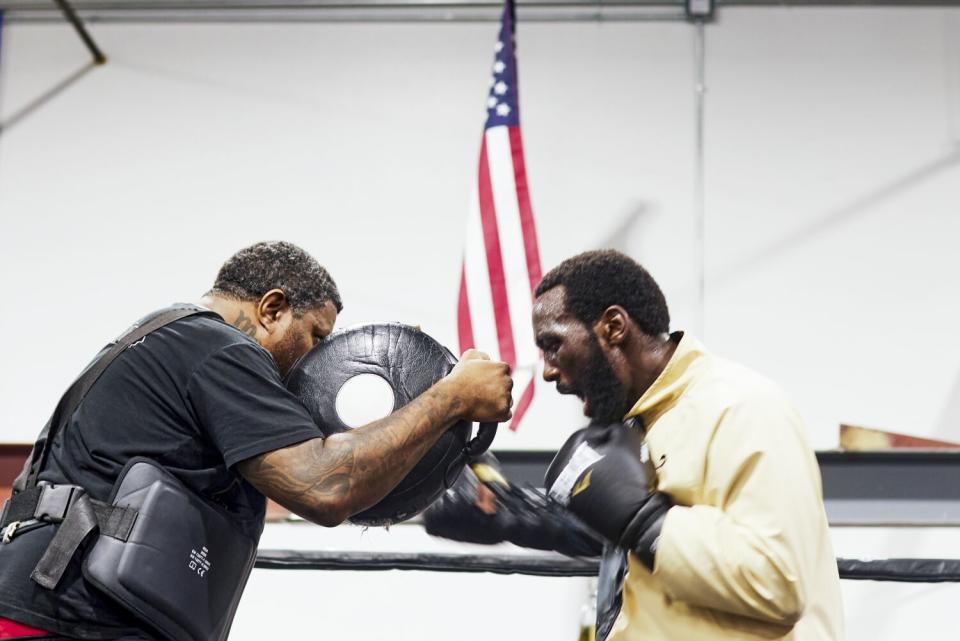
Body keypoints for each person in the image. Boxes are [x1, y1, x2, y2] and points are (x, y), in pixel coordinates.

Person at [0, 240, 513, 641]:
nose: (315, 361)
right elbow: (323, 488)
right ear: (272, 309)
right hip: (67, 617)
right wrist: (450, 398)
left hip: (60, 607)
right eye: (314, 335)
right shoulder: (221, 348)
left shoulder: (166, 335)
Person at [533, 249, 842, 640]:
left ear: (613, 326)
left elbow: (779, 581)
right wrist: (521, 521)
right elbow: (659, 571)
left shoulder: (741, 407)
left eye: (553, 344)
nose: (546, 370)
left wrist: (646, 524)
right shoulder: (640, 425)